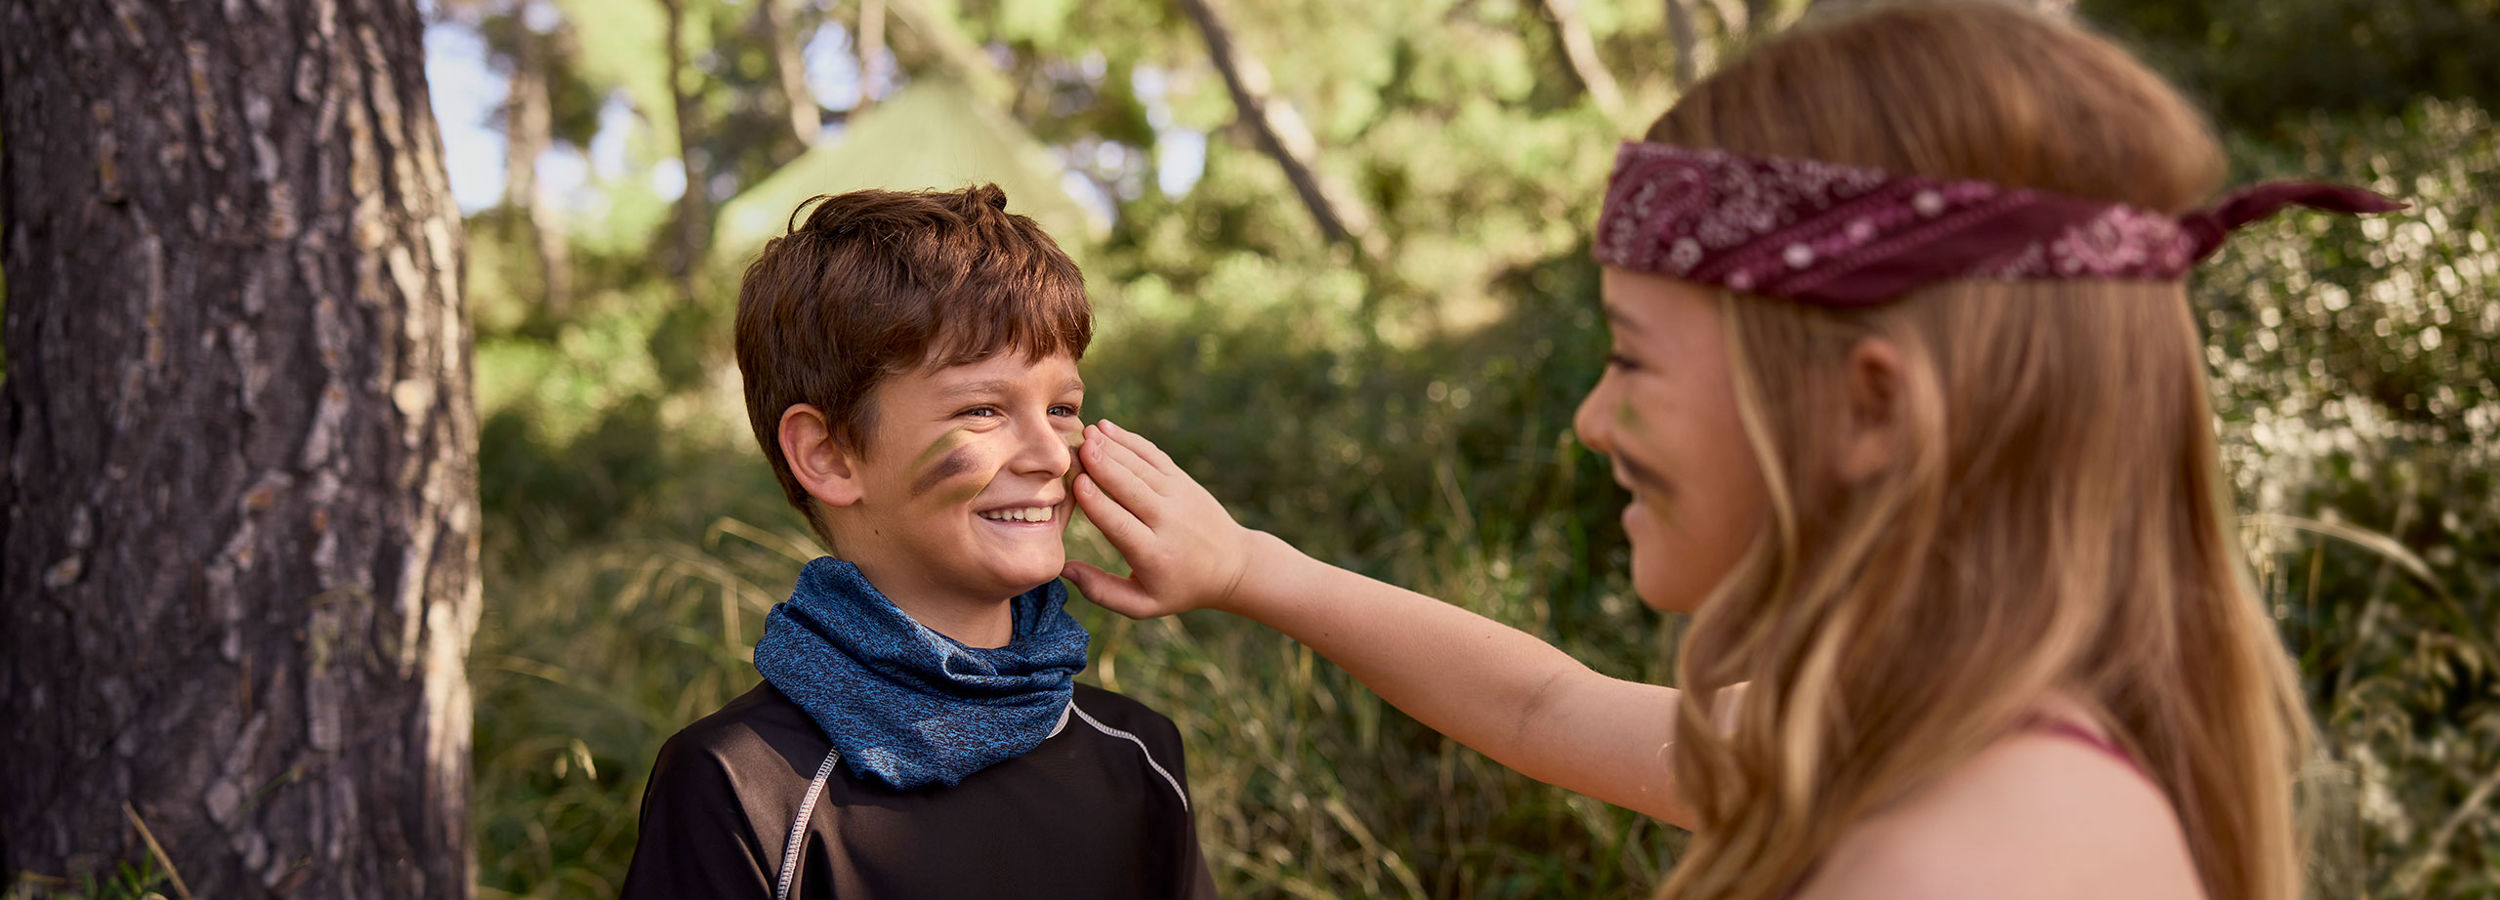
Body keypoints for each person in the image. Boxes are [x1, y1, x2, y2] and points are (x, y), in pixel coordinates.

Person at [1057, 3, 2399, 898]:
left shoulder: (1991, 852)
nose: (1590, 418)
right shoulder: (1903, 742)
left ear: (1872, 410)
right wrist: (1253, 568)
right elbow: (1544, 708)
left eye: (1633, 356)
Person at [622, 184, 1218, 900]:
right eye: (982, 409)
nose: (1054, 455)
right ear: (830, 455)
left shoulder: (1139, 753)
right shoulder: (740, 786)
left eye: (1063, 407)